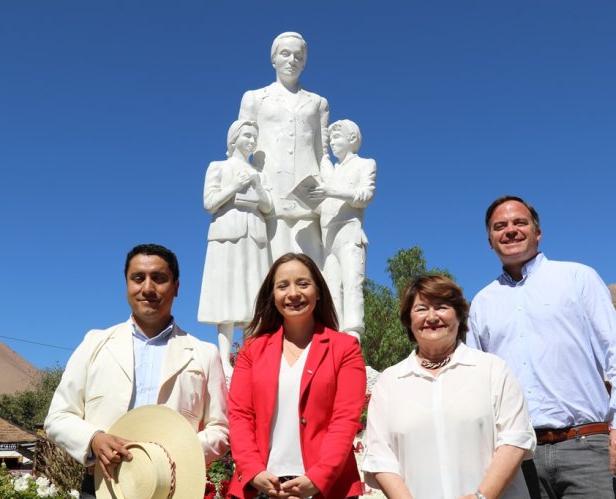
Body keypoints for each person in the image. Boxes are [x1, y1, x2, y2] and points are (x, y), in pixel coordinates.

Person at [466, 195, 616, 499]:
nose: (510, 230)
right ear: (490, 241)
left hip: (585, 447)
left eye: (519, 222)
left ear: (538, 232)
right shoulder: (482, 303)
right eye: (500, 226)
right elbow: (477, 382)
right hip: (518, 456)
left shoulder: (578, 278)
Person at [45, 244, 229, 497]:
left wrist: (177, 455)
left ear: (176, 287)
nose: (148, 288)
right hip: (104, 487)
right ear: (127, 285)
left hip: (173, 490)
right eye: (138, 278)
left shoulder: (205, 354)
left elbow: (221, 428)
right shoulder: (94, 343)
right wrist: (94, 439)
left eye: (159, 278)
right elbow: (58, 417)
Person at [362, 275, 535, 499]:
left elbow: (515, 438)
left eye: (442, 307)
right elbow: (380, 456)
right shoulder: (390, 381)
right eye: (421, 309)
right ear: (408, 320)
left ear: (460, 315)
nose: (432, 317)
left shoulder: (492, 369)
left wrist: (482, 496)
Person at [227, 253, 366, 499]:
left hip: (327, 488)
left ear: (319, 291)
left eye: (303, 283)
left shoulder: (345, 348)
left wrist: (318, 478)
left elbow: (345, 420)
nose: (293, 293)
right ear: (273, 295)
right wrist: (253, 470)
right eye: (283, 286)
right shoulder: (251, 350)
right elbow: (240, 416)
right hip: (261, 486)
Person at [238, 32, 330, 265]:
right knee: (268, 269)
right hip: (269, 192)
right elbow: (239, 148)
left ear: (305, 62)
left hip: (307, 195)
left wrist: (329, 188)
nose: (292, 60)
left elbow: (323, 153)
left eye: (298, 56)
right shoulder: (255, 98)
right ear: (274, 59)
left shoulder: (318, 102)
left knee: (311, 270)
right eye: (285, 54)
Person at [198, 120, 272, 377]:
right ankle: (223, 357)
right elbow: (209, 202)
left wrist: (257, 186)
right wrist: (234, 187)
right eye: (247, 135)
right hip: (227, 231)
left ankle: (249, 354)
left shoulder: (257, 172)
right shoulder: (218, 167)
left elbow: (268, 207)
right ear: (234, 139)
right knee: (226, 292)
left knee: (254, 292)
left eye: (255, 137)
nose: (252, 141)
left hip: (255, 233)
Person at [309, 119, 375, 337]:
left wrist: (331, 191)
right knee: (330, 291)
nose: (333, 143)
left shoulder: (365, 164)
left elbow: (364, 196)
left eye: (337, 137)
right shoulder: (332, 171)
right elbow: (324, 204)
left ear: (352, 138)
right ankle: (334, 335)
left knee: (352, 285)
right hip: (328, 238)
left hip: (349, 232)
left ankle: (353, 336)